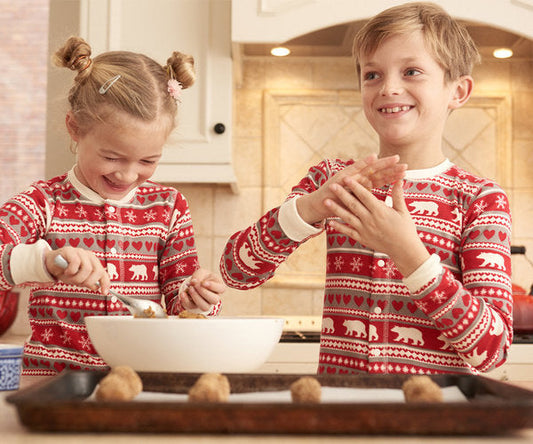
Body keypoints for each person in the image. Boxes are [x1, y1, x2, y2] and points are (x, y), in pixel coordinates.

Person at [220, 2, 512, 375]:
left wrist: (411, 256)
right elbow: (235, 271)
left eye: (411, 71)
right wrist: (309, 209)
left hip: (431, 425)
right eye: (372, 75)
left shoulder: (479, 199)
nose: (389, 88)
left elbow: (493, 351)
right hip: (341, 418)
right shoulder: (333, 179)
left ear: (458, 91)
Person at [0, 36, 225, 376]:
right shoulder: (44, 201)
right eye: (111, 156)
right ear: (75, 128)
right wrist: (46, 262)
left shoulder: (169, 207)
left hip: (139, 383)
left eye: (148, 160)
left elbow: (179, 303)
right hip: (52, 385)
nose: (128, 174)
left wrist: (196, 298)